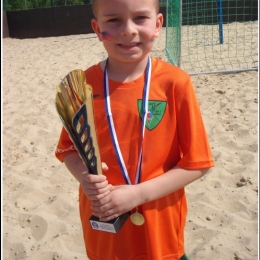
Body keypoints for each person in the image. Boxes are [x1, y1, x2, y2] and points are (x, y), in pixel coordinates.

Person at [55, 0, 215, 259]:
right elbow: (68, 149)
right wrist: (84, 177)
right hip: (104, 228)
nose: (128, 30)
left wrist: (137, 195)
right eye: (114, 20)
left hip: (160, 230)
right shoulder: (80, 86)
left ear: (158, 25)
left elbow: (198, 163)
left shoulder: (176, 83)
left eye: (140, 17)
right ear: (97, 29)